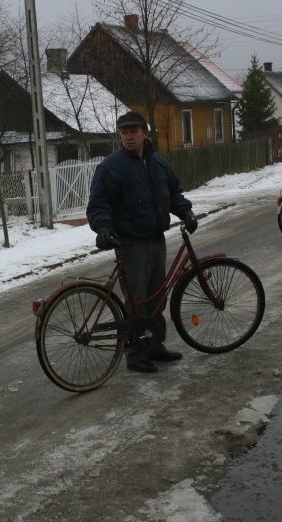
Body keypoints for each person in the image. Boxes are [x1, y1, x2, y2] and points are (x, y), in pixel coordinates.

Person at [87, 110, 198, 373]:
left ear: (145, 133)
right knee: (136, 301)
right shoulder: (111, 167)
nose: (128, 137)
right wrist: (103, 229)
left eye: (133, 131)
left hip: (155, 239)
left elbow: (172, 192)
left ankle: (155, 346)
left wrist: (185, 211)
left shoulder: (157, 162)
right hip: (130, 243)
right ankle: (136, 355)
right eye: (124, 132)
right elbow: (98, 204)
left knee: (157, 297)